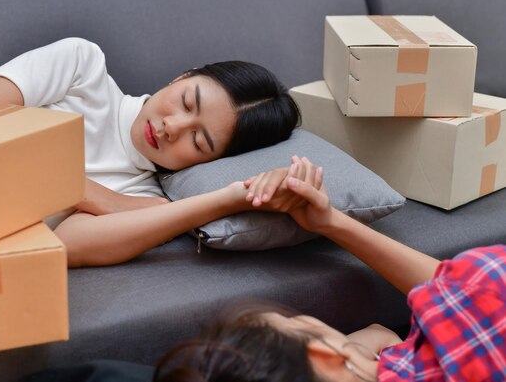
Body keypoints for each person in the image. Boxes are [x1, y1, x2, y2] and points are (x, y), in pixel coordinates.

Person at [155, 157, 506, 382]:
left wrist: (328, 222)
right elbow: (461, 291)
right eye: (295, 321)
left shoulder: (396, 368)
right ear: (320, 352)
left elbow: (380, 334)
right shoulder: (482, 300)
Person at [0, 37, 300, 267]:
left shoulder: (142, 198)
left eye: (198, 142)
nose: (173, 127)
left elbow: (68, 247)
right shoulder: (83, 67)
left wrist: (229, 198)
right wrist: (97, 197)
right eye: (185, 101)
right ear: (183, 76)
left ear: (211, 162)